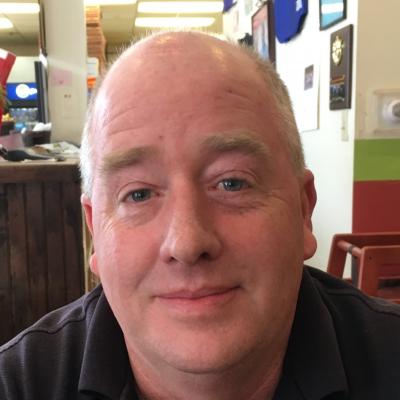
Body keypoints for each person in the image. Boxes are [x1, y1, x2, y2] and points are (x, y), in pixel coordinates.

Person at [1, 31, 400, 400]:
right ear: (94, 232)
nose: (187, 243)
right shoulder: (19, 385)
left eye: (232, 183)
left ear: (303, 210)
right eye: (138, 194)